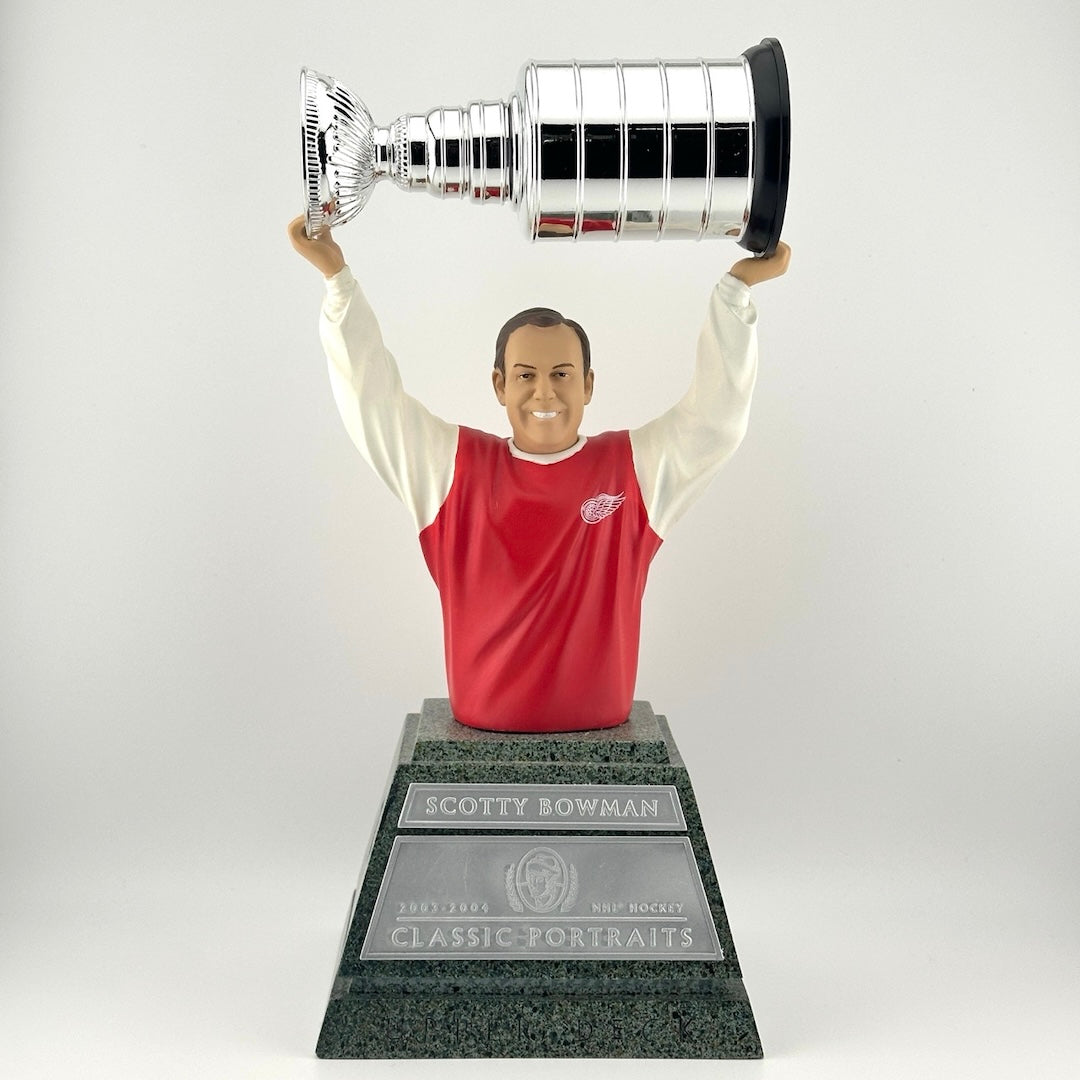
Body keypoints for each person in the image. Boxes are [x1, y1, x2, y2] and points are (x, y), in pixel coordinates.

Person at [288, 215, 791, 732]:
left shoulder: (632, 470)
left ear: (589, 384)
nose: (545, 393)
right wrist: (337, 280)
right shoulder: (451, 469)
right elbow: (371, 400)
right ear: (499, 385)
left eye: (562, 375)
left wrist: (736, 293)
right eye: (526, 376)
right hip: (484, 712)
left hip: (600, 711)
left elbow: (716, 419)